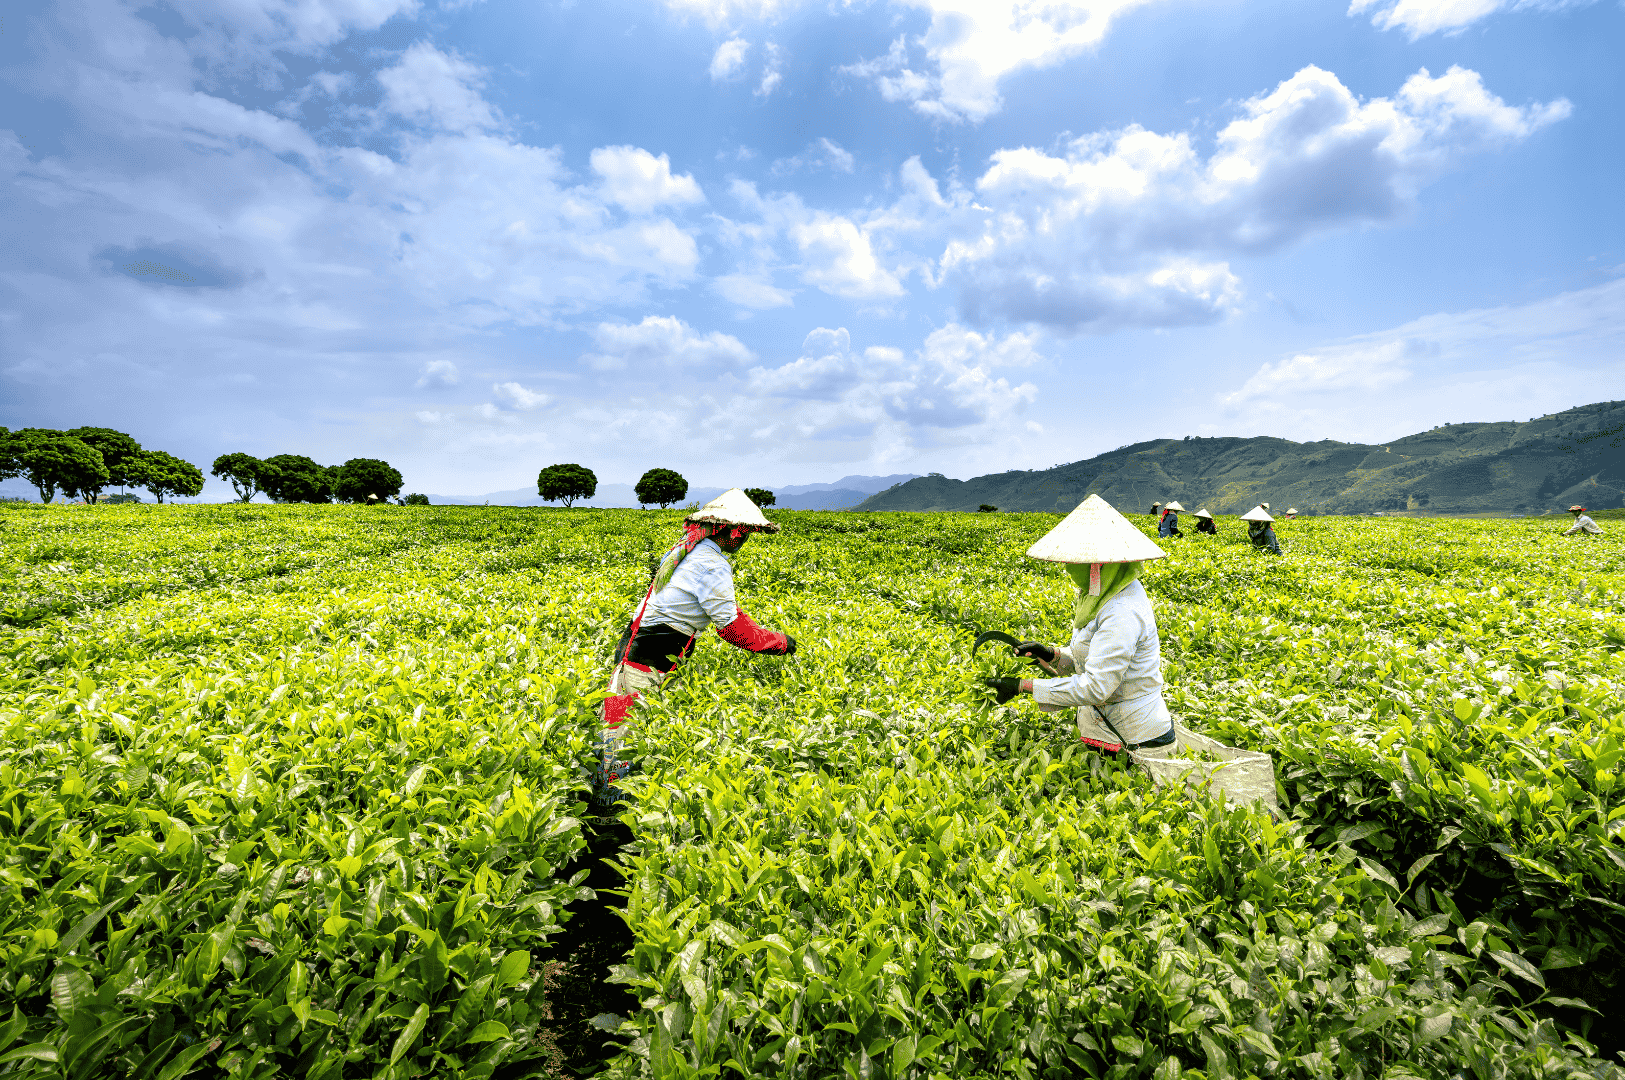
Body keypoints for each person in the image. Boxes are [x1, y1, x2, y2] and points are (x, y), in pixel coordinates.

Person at [595, 488, 795, 809]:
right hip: (648, 656)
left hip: (638, 648)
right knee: (622, 735)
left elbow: (723, 611)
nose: (744, 540)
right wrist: (779, 643)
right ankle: (611, 811)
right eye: (743, 532)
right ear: (728, 531)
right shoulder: (712, 563)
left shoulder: (687, 549)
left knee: (620, 723)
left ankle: (612, 798)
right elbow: (732, 628)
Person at [981, 494, 1177, 759]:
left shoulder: (1122, 611)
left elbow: (1097, 686)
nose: (1068, 568)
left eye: (1075, 562)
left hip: (1137, 740)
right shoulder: (1100, 593)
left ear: (1097, 566)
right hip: (1108, 731)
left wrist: (1022, 686)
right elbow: (1097, 657)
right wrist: (1052, 654)